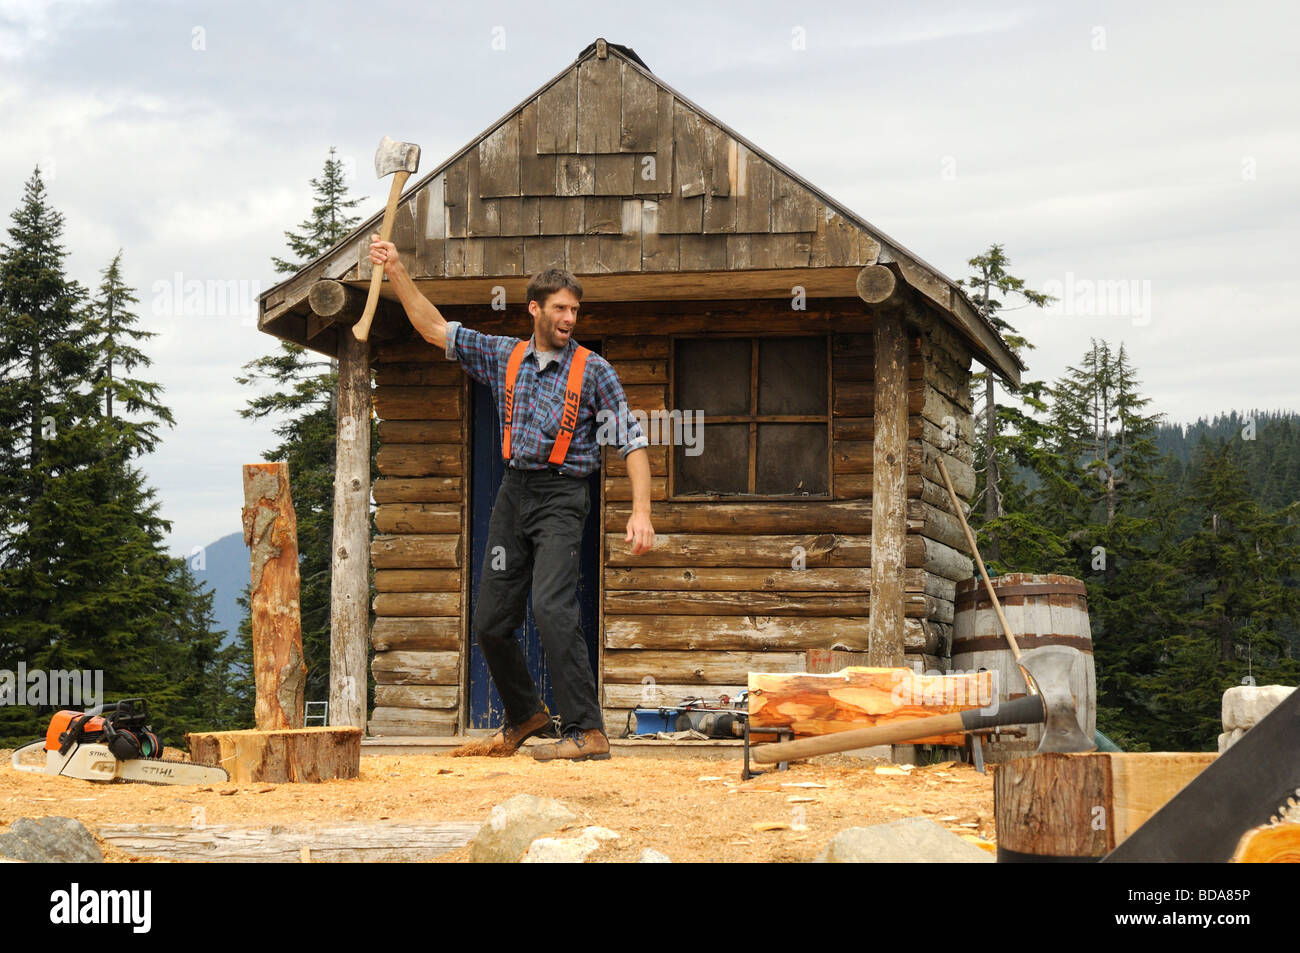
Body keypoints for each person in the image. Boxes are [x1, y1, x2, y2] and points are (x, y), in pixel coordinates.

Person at [368, 235, 655, 761]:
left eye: (575, 309)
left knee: (550, 606)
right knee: (491, 623)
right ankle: (526, 716)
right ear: (535, 310)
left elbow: (632, 442)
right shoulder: (504, 355)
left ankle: (588, 731)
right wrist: (397, 271)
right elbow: (435, 328)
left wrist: (641, 512)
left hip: (564, 496)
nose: (570, 317)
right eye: (561, 308)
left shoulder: (594, 370)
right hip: (514, 492)